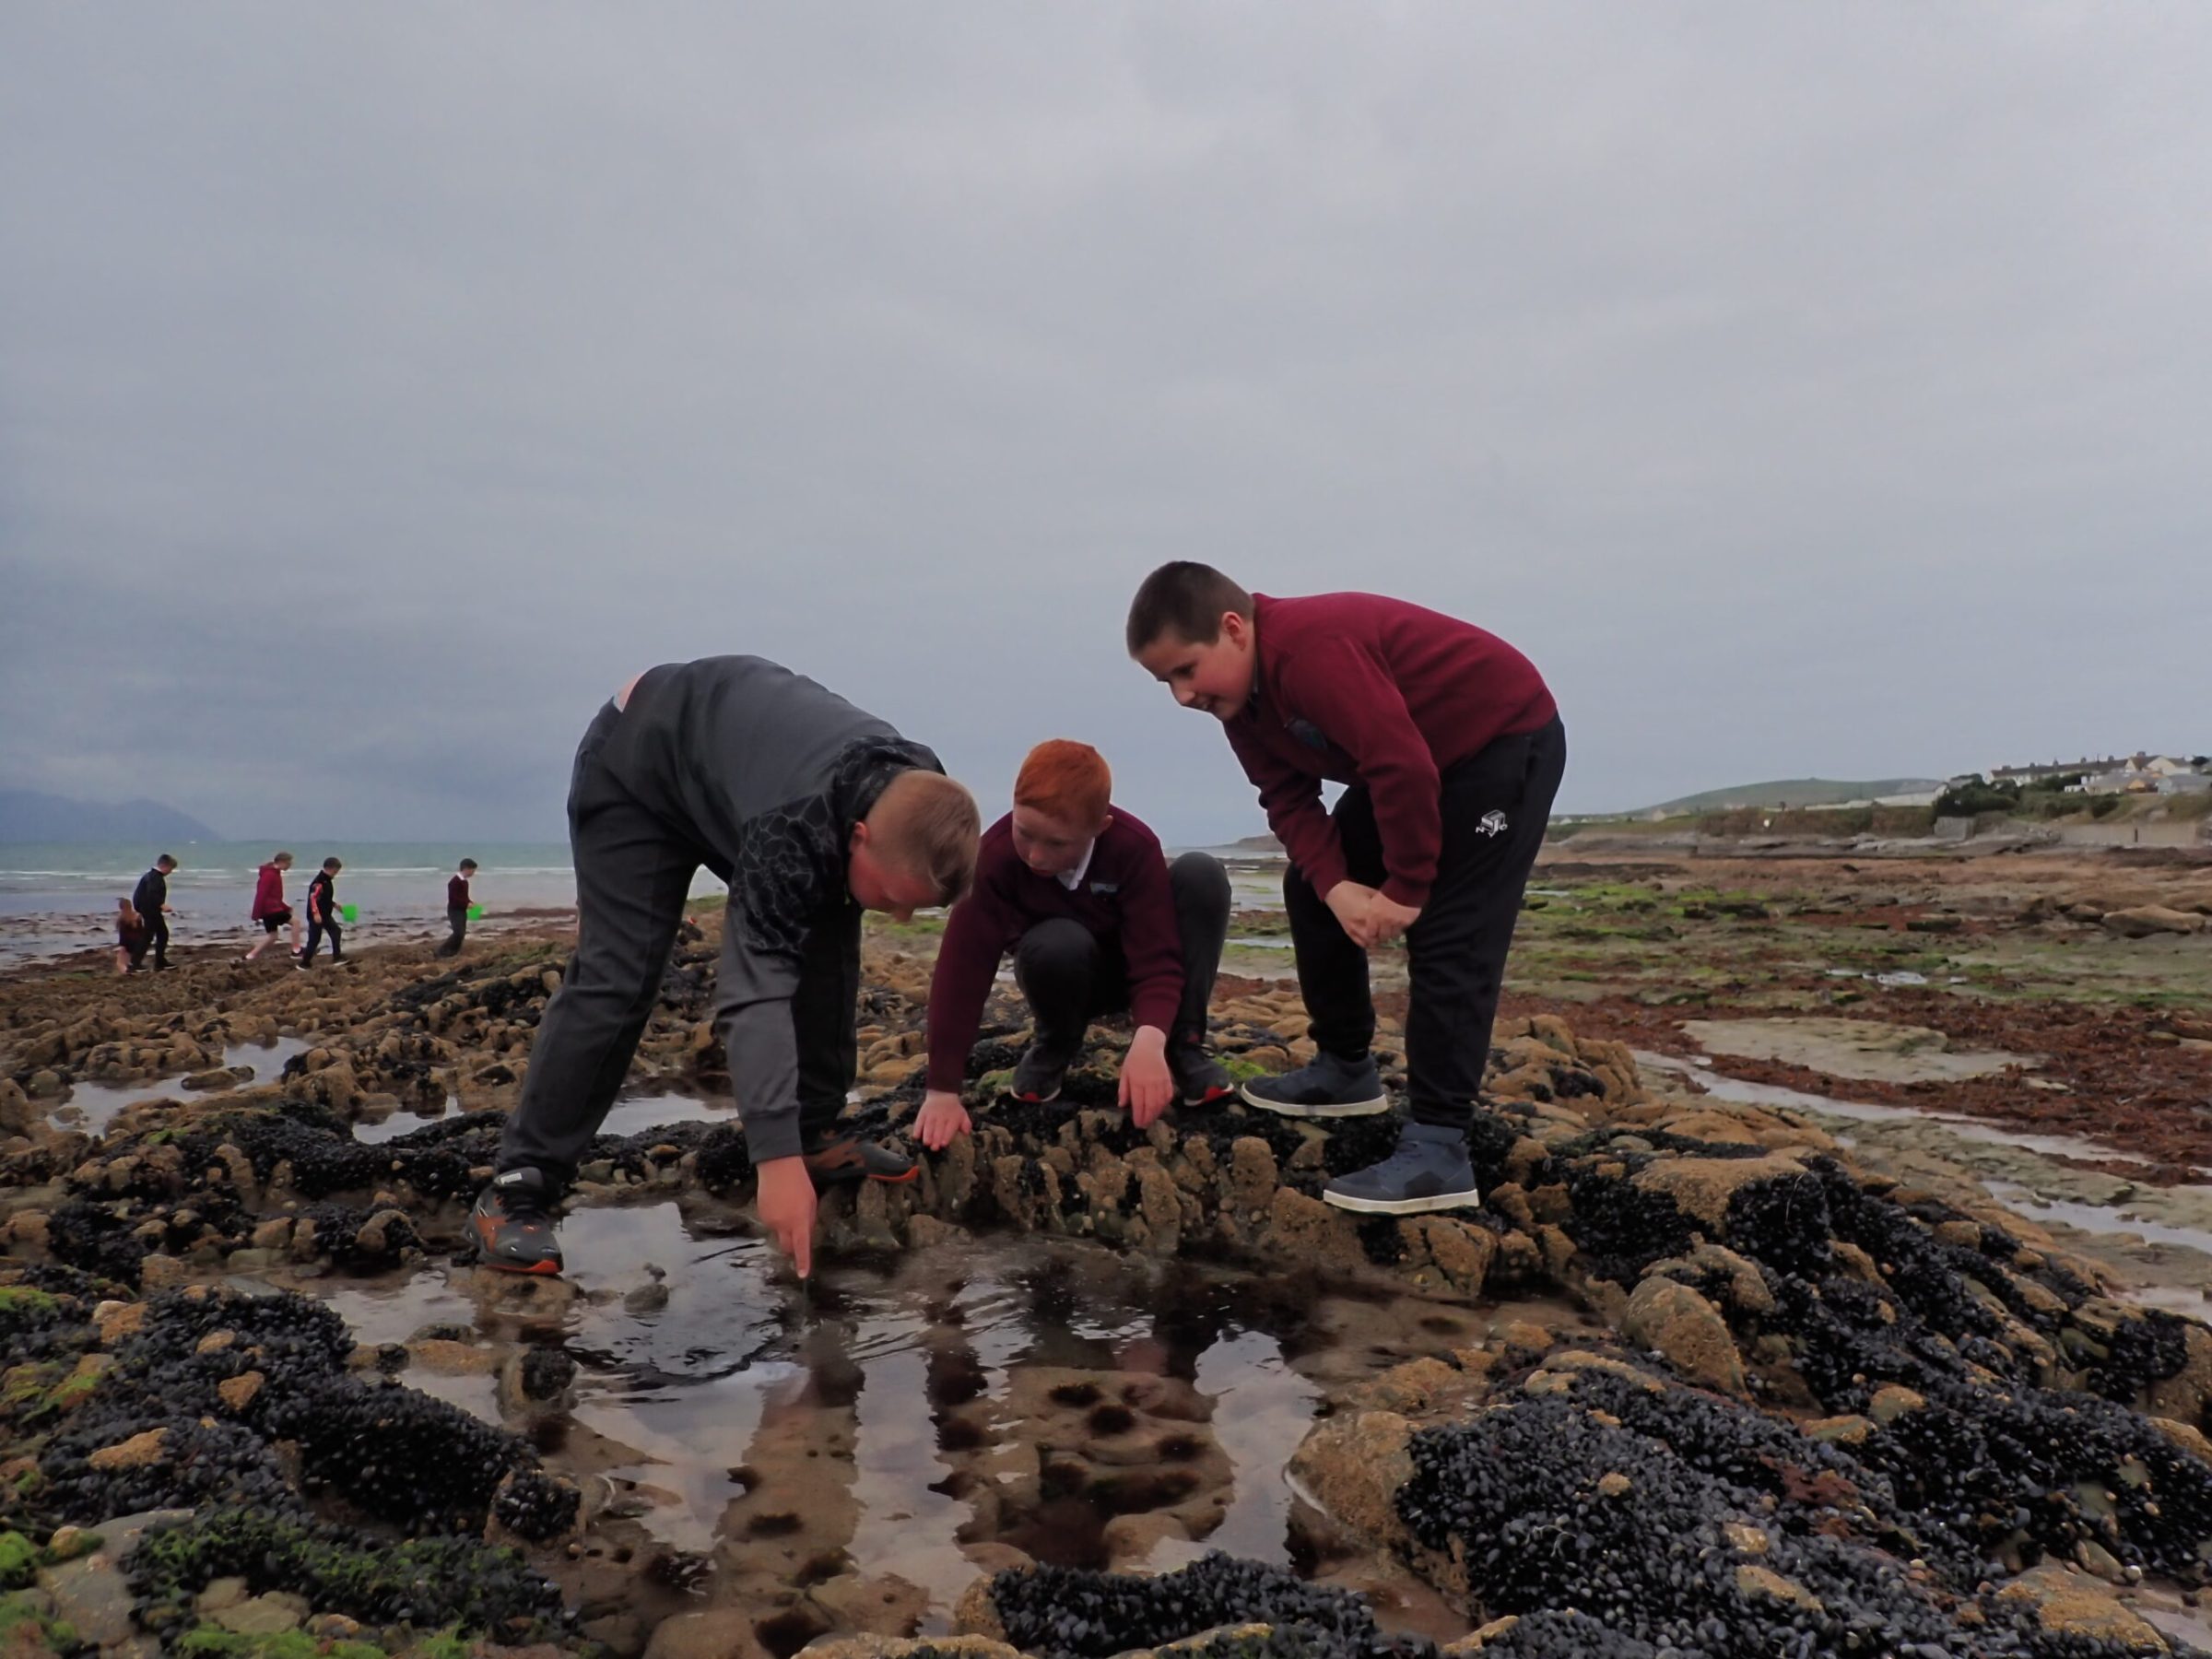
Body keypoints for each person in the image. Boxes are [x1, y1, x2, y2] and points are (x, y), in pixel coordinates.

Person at [470, 655, 982, 1279]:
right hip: (636, 770)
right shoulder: (793, 828)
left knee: (829, 926)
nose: (901, 920)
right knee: (620, 979)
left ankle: (816, 1128)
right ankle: (519, 1187)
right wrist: (772, 1159)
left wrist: (796, 1145)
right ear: (859, 836)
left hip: (731, 773)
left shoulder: (920, 790)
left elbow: (833, 929)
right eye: (896, 899)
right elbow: (752, 993)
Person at [1126, 563, 1565, 1218]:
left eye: (1187, 670)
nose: (1182, 696)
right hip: (1418, 760)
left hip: (1501, 741)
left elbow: (1400, 765)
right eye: (1166, 682)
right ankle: (1345, 1068)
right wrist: (1338, 889)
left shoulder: (1311, 652)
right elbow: (1286, 797)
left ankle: (1441, 1147)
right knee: (1309, 880)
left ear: (1234, 629)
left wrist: (1407, 889)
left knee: (1450, 933)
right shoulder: (1241, 706)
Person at [914, 739, 1233, 1153]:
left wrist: (1150, 1037)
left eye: (1057, 844)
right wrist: (942, 1089)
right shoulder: (994, 858)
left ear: (1100, 827)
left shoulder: (1134, 848)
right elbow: (963, 971)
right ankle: (1055, 1046)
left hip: (1133, 977)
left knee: (1201, 874)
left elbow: (1156, 957)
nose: (1034, 856)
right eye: (1024, 833)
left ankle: (1184, 1047)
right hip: (1059, 976)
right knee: (1057, 939)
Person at [244, 852, 300, 961]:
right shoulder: (269, 875)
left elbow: (274, 897)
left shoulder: (274, 873)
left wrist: (286, 908)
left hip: (271, 909)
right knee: (296, 922)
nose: (290, 866)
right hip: (271, 910)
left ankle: (250, 956)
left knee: (273, 936)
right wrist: (256, 914)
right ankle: (296, 950)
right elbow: (261, 894)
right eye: (289, 863)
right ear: (281, 862)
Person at [131, 854, 177, 971]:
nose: (170, 872)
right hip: (150, 910)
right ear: (164, 865)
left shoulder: (151, 876)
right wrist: (162, 905)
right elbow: (152, 893)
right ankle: (135, 963)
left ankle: (159, 962)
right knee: (149, 936)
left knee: (161, 934)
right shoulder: (154, 877)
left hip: (150, 909)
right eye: (171, 869)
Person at [299, 857, 346, 968]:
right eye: (335, 871)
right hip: (317, 916)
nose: (335, 874)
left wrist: (334, 905)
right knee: (314, 939)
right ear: (328, 868)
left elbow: (324, 898)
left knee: (336, 931)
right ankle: (304, 963)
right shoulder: (319, 882)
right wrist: (316, 913)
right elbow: (313, 898)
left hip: (325, 914)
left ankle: (337, 957)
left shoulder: (327, 881)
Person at [435, 858, 478, 958]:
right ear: (466, 869)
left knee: (462, 933)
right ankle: (441, 952)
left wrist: (471, 903)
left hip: (462, 910)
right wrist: (467, 904)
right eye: (472, 870)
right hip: (454, 910)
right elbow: (453, 899)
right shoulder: (454, 881)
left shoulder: (464, 882)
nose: (473, 873)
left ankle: (453, 953)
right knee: (458, 933)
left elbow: (464, 897)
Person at [114, 899, 151, 975]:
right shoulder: (137, 916)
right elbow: (142, 930)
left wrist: (122, 946)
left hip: (128, 943)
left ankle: (127, 972)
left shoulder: (122, 919)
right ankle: (134, 969)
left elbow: (123, 934)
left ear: (121, 908)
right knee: (132, 960)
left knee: (120, 962)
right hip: (139, 942)